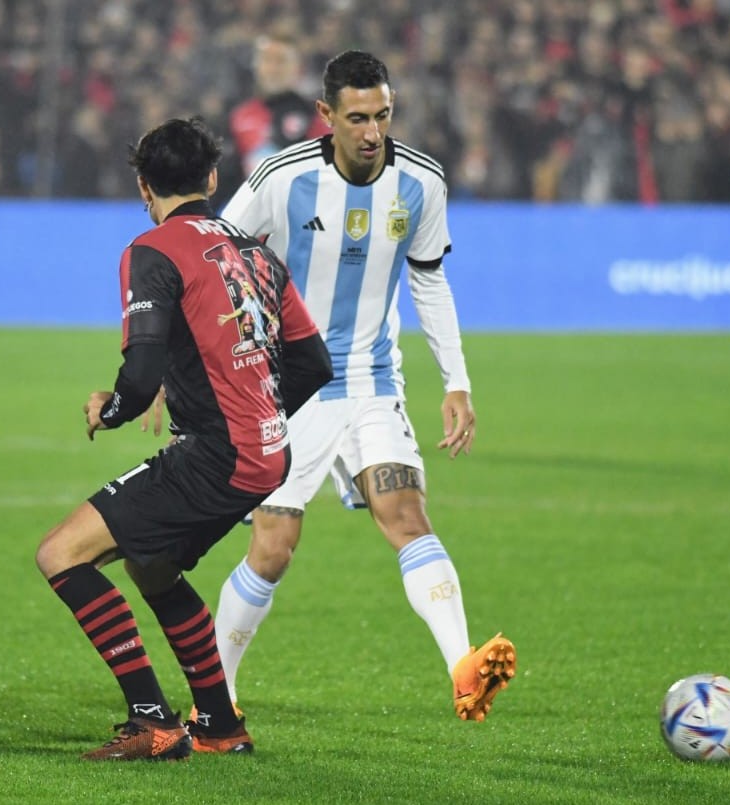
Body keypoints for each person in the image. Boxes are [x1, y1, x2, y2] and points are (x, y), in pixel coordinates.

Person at [213, 50, 516, 723]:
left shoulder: (421, 183)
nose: (372, 130)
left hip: (373, 381)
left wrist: (456, 381)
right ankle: (217, 689)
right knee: (272, 549)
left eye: (382, 114)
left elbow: (429, 278)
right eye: (357, 117)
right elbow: (217, 256)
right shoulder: (281, 178)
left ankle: (463, 667)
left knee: (406, 515)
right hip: (290, 389)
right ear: (326, 115)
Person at [34, 116, 331, 761]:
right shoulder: (255, 251)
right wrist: (258, 411)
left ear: (144, 185)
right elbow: (314, 364)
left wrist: (109, 410)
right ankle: (220, 725)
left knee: (61, 555)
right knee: (153, 564)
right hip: (267, 451)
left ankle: (152, 722)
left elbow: (139, 377)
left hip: (217, 453)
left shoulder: (154, 250)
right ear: (213, 178)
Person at [213, 32, 329, 209]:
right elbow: (226, 180)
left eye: (281, 61)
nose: (273, 68)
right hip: (251, 230)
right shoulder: (238, 117)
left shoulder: (316, 117)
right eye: (267, 60)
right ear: (257, 66)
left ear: (298, 68)